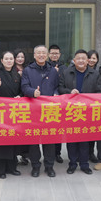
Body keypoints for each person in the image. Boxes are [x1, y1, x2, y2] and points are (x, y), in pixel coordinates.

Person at [59, 49, 101, 175]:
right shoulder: (67, 72)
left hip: (87, 112)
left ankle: (84, 164)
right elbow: (60, 88)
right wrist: (69, 92)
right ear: (74, 60)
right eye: (78, 58)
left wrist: (89, 99)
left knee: (85, 140)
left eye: (83, 58)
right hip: (71, 111)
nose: (81, 61)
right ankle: (72, 164)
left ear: (88, 61)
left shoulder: (95, 74)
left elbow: (99, 92)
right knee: (71, 140)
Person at [22, 44, 60, 177]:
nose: (41, 55)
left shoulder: (53, 70)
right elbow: (24, 87)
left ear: (47, 55)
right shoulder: (28, 70)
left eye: (44, 53)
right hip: (33, 110)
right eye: (38, 53)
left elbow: (57, 86)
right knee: (34, 141)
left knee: (49, 140)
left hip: (49, 111)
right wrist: (32, 92)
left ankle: (49, 166)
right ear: (34, 55)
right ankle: (35, 166)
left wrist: (56, 93)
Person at [0, 51, 22, 179]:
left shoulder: (17, 74)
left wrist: (20, 96)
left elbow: (21, 90)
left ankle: (12, 167)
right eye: (6, 59)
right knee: (0, 142)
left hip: (13, 113)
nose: (9, 61)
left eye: (11, 58)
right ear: (1, 60)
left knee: (12, 140)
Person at [47, 44, 66, 164]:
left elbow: (64, 83)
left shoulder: (64, 67)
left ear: (59, 55)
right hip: (47, 102)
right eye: (52, 53)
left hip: (60, 102)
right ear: (49, 54)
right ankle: (49, 154)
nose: (54, 55)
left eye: (56, 53)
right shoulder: (46, 66)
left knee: (58, 130)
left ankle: (57, 153)